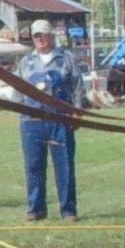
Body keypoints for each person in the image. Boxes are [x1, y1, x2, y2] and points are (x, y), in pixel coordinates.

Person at [15, 19, 81, 222]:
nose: (40, 39)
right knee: (33, 165)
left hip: (59, 120)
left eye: (43, 35)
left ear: (52, 36)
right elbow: (17, 89)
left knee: (65, 166)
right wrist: (20, 110)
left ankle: (68, 210)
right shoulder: (26, 62)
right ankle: (36, 209)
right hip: (32, 121)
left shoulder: (66, 58)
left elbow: (78, 86)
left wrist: (77, 112)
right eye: (36, 36)